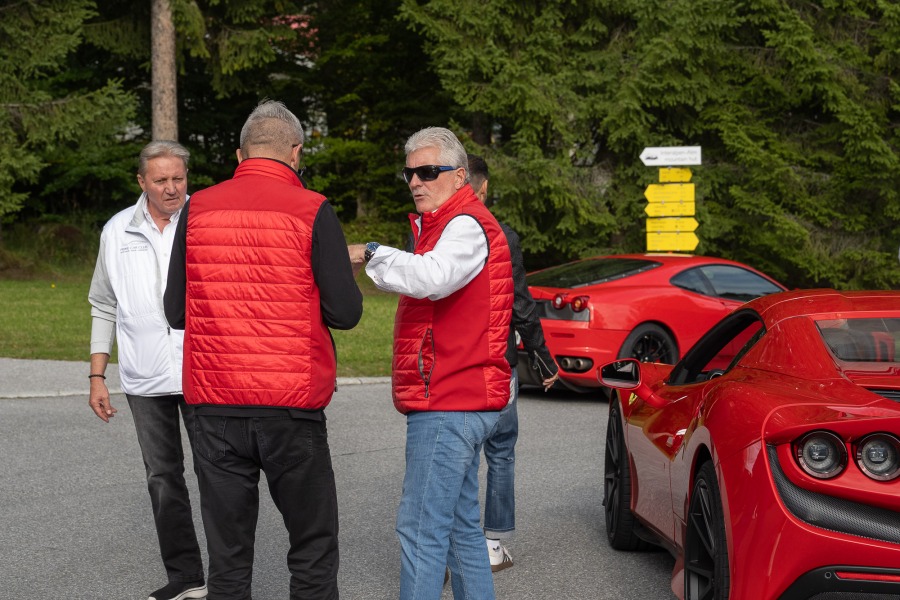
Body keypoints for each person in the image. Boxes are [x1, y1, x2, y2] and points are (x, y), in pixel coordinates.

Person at [164, 100, 363, 600]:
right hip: (290, 404)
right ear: (296, 152)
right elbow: (345, 312)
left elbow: (176, 311)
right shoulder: (312, 208)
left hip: (215, 403)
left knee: (228, 560)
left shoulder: (197, 207)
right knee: (312, 547)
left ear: (240, 154)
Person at [348, 126, 513, 600]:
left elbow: (433, 278)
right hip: (456, 398)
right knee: (461, 532)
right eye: (410, 174)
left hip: (450, 399)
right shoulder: (450, 223)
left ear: (460, 176)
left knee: (421, 528)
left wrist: (372, 251)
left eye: (428, 172)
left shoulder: (465, 224)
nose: (416, 182)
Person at [88, 140, 207, 600]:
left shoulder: (204, 221)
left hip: (202, 372)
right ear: (142, 182)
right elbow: (103, 304)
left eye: (179, 178)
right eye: (161, 180)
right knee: (163, 478)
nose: (172, 188)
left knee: (219, 476)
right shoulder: (117, 230)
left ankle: (229, 577)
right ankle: (187, 577)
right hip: (144, 378)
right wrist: (97, 376)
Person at [466, 154, 559, 573]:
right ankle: (491, 545)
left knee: (459, 454)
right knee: (500, 451)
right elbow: (520, 304)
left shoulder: (432, 231)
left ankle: (452, 544)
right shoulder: (502, 236)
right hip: (497, 361)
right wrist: (543, 357)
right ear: (484, 187)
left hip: (451, 364)